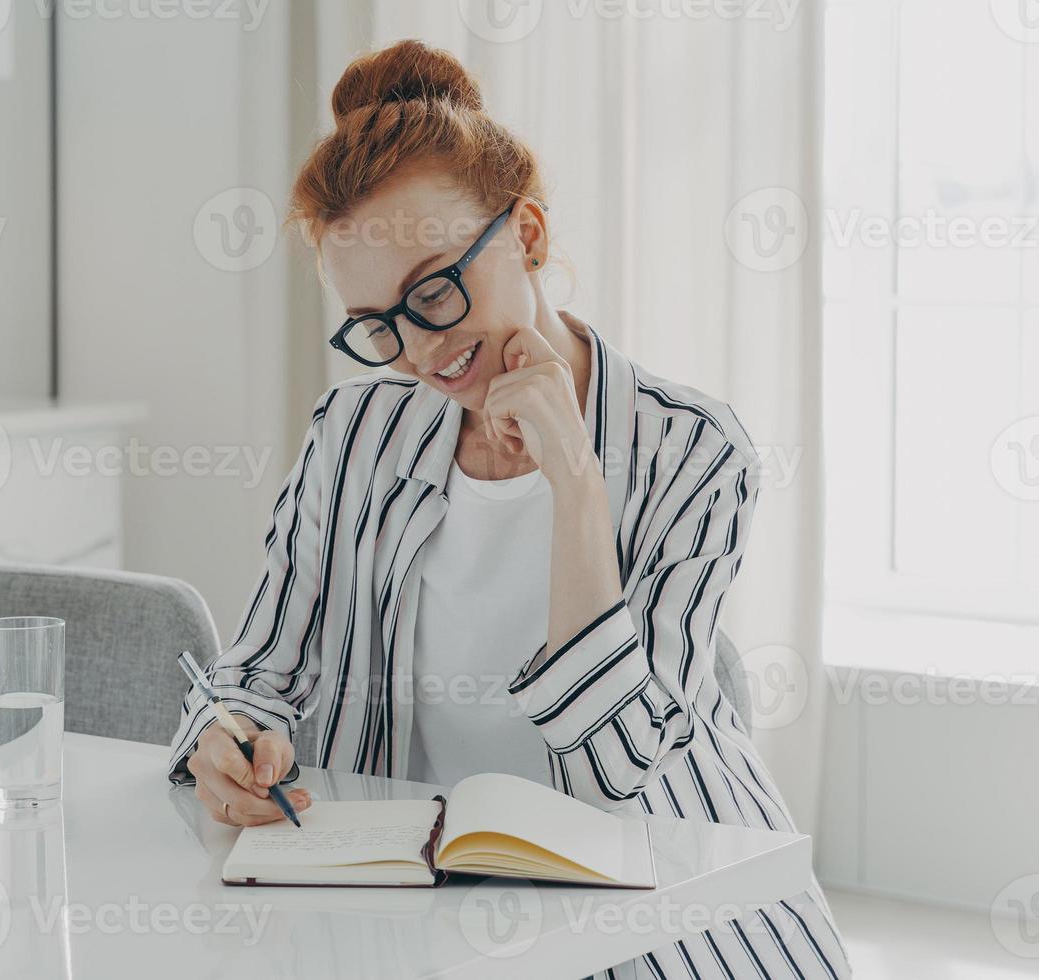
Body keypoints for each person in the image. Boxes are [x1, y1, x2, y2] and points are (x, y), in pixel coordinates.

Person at [168, 38, 850, 979]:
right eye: (378, 326)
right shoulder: (355, 431)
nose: (418, 354)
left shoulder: (694, 448)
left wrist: (574, 486)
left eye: (435, 293)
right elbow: (259, 666)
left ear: (526, 235)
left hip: (665, 917)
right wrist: (227, 737)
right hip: (430, 919)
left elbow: (624, 771)